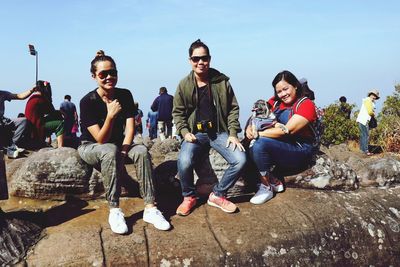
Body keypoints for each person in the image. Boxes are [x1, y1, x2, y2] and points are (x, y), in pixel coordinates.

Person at [78, 50, 170, 234]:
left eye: (113, 72)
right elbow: (100, 139)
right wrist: (110, 115)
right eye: (103, 74)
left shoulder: (125, 95)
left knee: (142, 151)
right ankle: (114, 209)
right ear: (94, 76)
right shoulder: (87, 101)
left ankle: (150, 208)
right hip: (90, 146)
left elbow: (130, 128)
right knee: (109, 149)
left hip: (119, 145)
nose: (109, 77)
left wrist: (125, 150)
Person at [173, 39, 246, 216]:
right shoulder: (184, 84)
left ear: (210, 59)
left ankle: (218, 194)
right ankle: (189, 196)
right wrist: (184, 132)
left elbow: (233, 108)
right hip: (195, 134)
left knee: (240, 160)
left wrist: (233, 133)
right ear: (190, 60)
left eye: (204, 58)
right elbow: (178, 112)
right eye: (196, 59)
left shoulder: (221, 82)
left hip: (218, 132)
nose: (200, 62)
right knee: (184, 161)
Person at [245, 70, 318, 205]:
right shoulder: (275, 103)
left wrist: (258, 134)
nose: (283, 94)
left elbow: (287, 130)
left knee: (259, 143)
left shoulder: (305, 104)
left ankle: (266, 186)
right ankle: (274, 179)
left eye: (286, 89)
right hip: (281, 146)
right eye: (279, 91)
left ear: (295, 86)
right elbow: (256, 114)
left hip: (300, 149)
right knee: (245, 144)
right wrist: (249, 128)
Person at [25, 80, 65, 148]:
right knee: (61, 123)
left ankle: (49, 140)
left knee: (55, 117)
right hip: (36, 126)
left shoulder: (34, 97)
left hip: (32, 124)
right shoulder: (41, 99)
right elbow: (52, 111)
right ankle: (60, 147)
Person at [0, 86, 36, 158]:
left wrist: (32, 90)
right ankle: (9, 150)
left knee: (23, 121)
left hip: (3, 120)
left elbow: (19, 96)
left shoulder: (2, 93)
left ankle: (13, 144)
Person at [356, 89, 380, 156]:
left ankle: (362, 150)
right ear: (371, 95)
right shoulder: (368, 100)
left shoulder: (367, 100)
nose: (375, 97)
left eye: (376, 96)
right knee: (366, 135)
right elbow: (369, 111)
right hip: (364, 120)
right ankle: (366, 151)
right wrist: (373, 114)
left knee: (363, 135)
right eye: (374, 95)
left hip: (361, 120)